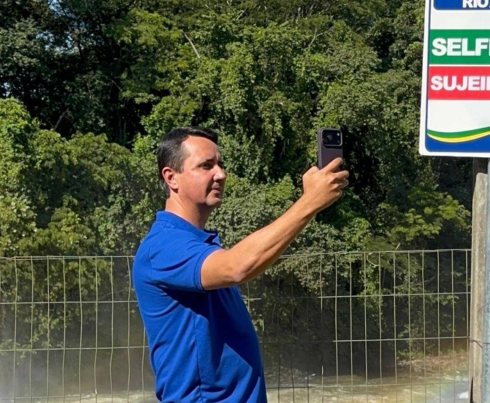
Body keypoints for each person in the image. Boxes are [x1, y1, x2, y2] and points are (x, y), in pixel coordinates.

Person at [132, 126, 348, 403]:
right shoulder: (163, 246)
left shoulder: (197, 243)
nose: (221, 174)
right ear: (171, 177)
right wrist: (309, 203)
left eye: (220, 164)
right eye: (206, 166)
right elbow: (238, 267)